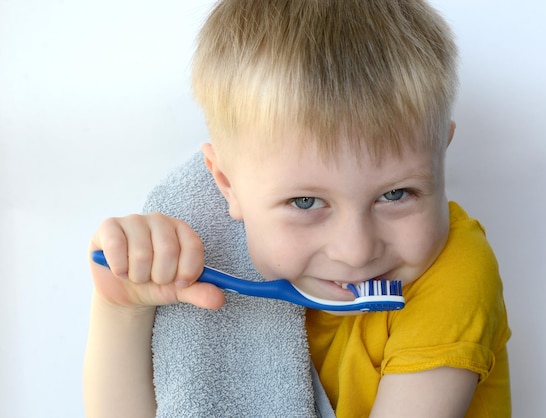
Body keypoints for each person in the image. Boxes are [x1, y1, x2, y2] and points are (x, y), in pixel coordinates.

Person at [83, 0, 511, 417]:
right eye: (305, 202)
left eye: (396, 194)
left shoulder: (456, 272)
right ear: (228, 186)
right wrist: (123, 309)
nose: (356, 250)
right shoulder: (215, 248)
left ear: (441, 155)